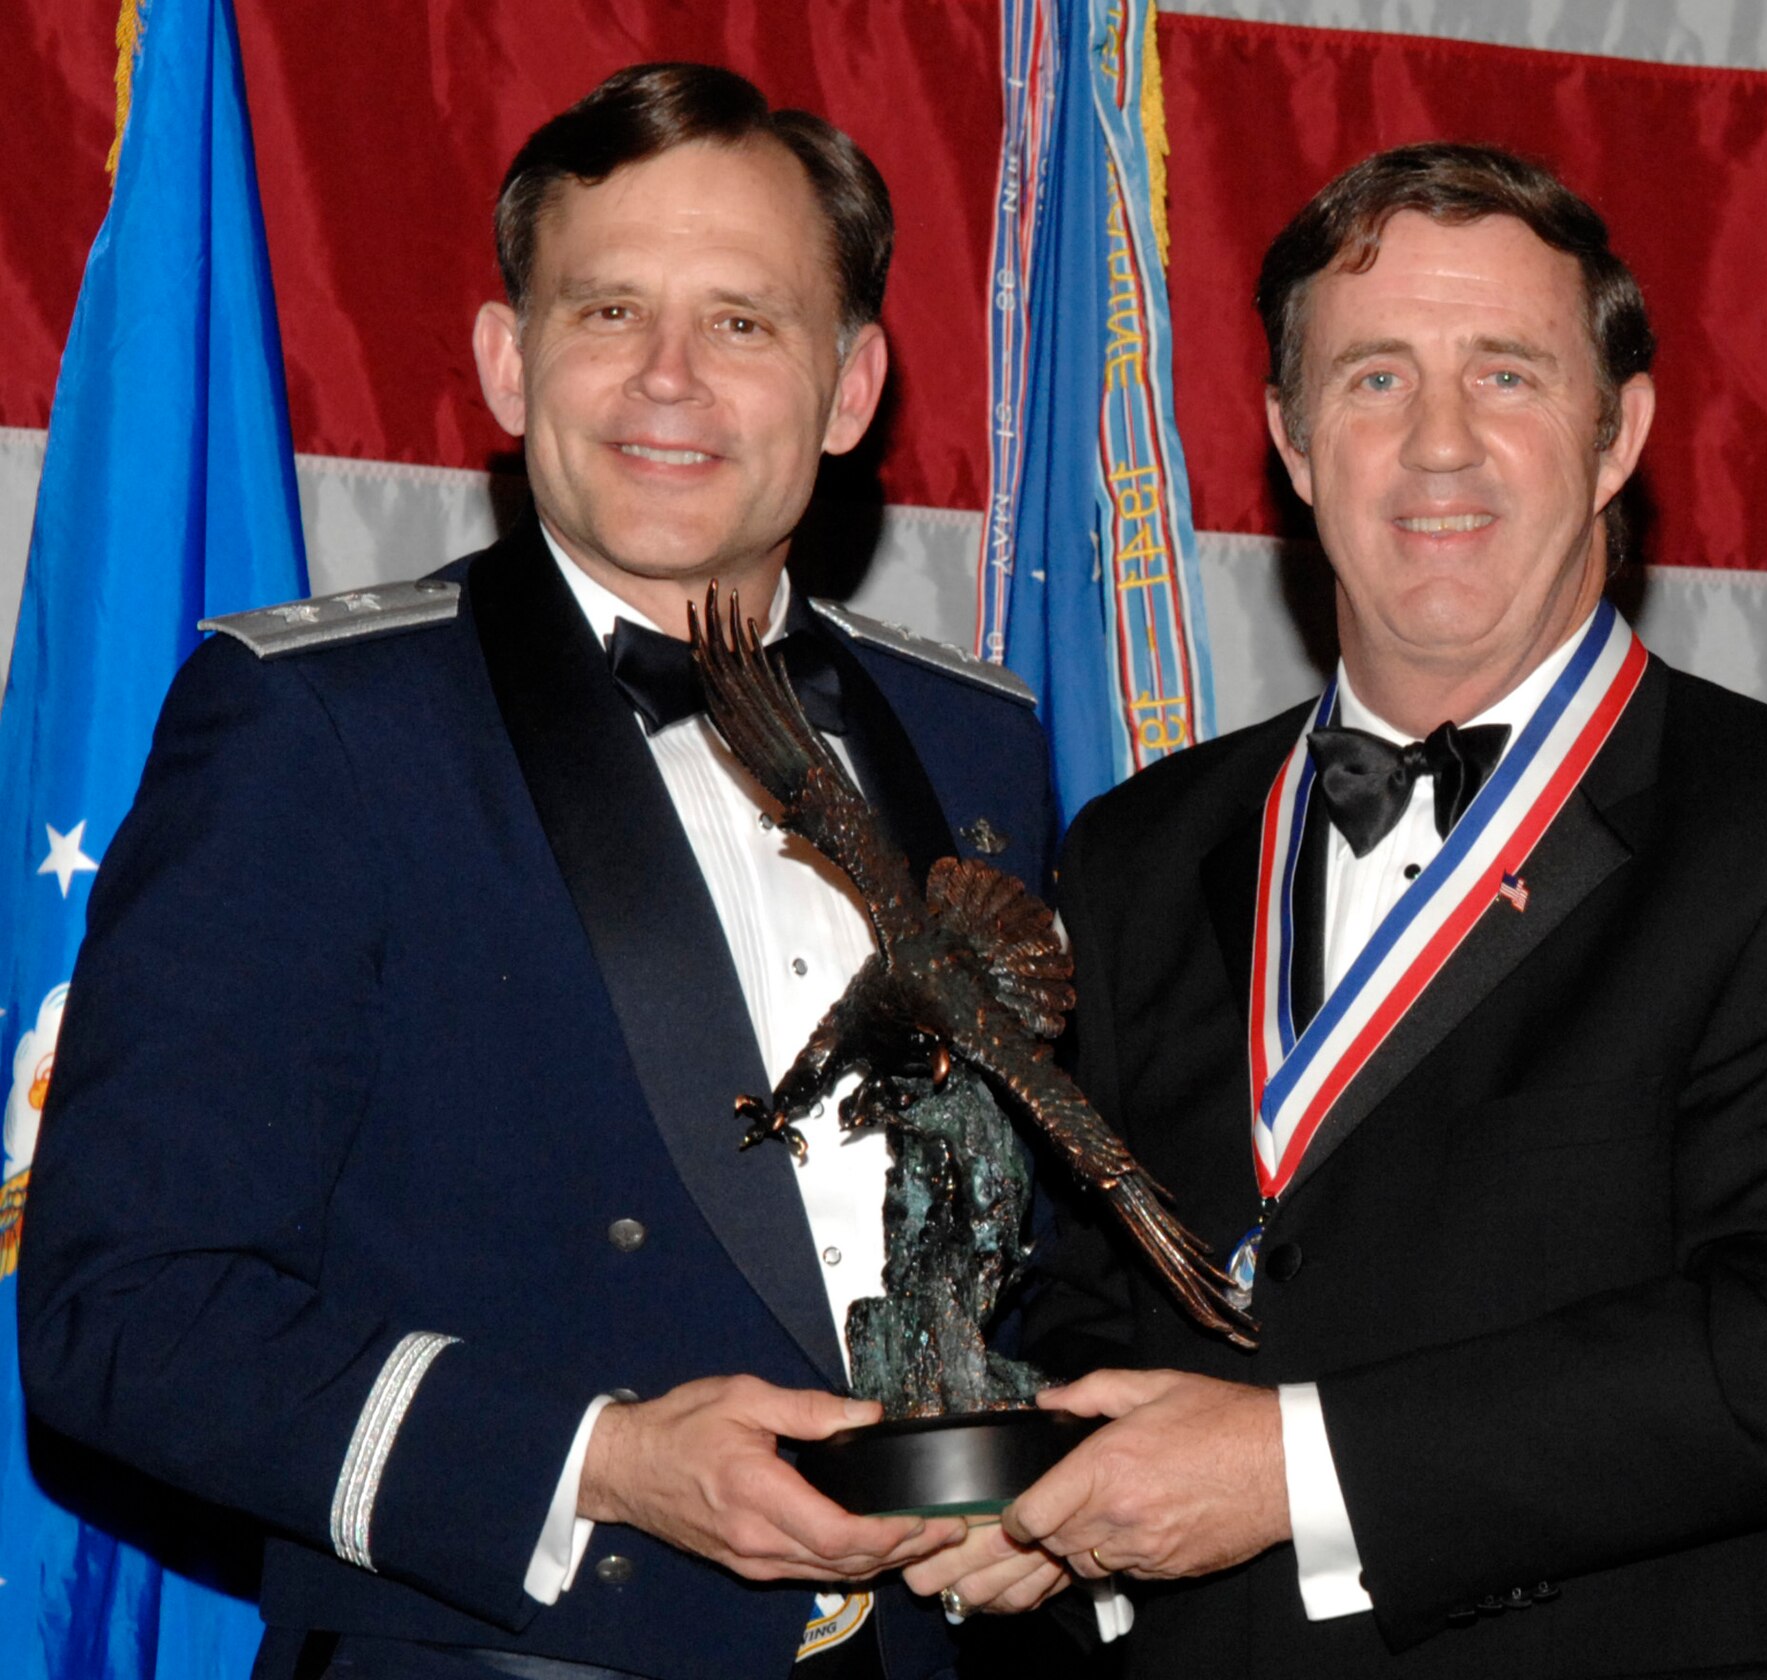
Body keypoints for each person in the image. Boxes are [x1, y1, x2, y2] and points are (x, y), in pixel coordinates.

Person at [18, 63, 1053, 1680]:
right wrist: (599, 1460)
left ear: (852, 390)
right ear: (510, 360)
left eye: (744, 323)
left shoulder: (980, 742)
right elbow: (127, 1316)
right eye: (607, 311)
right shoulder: (315, 723)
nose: (667, 381)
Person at [908, 142, 1767, 1674]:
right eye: (1374, 380)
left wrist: (1289, 1467)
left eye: (1508, 377)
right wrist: (1045, 1494)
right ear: (1286, 436)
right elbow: (1086, 1292)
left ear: (1621, 434)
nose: (1439, 451)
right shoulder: (1144, 845)